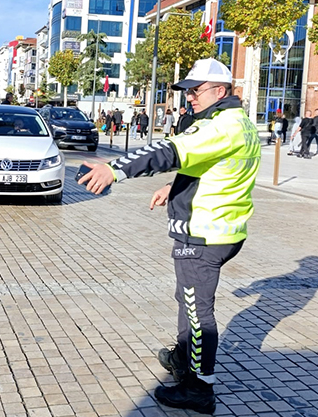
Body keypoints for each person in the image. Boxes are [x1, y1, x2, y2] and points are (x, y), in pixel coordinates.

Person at [77, 58, 260, 414]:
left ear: (219, 91)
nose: (189, 98)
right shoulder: (239, 123)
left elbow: (168, 151)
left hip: (204, 234)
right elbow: (209, 163)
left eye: (195, 91)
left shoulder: (220, 125)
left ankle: (198, 389)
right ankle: (184, 358)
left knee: (196, 313)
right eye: (187, 91)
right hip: (225, 229)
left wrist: (114, 169)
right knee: (189, 301)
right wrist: (172, 185)